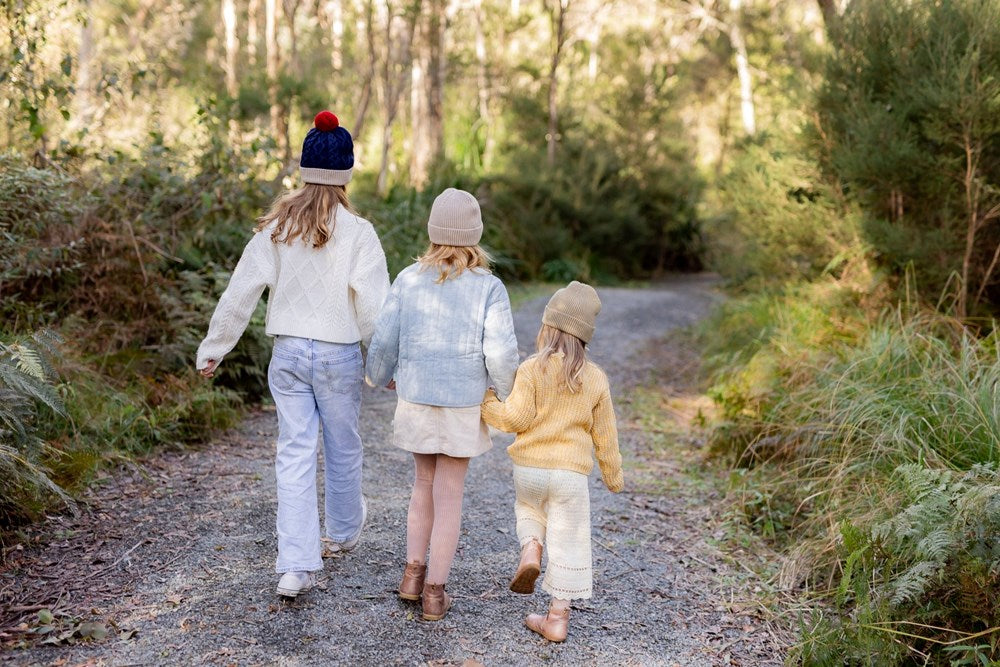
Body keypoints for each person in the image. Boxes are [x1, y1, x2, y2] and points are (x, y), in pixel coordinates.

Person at [195, 111, 389, 598]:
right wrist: (388, 365)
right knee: (344, 445)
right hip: (339, 356)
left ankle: (295, 566)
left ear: (303, 169)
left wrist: (214, 348)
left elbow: (240, 292)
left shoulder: (275, 228)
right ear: (346, 173)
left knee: (295, 452)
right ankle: (342, 532)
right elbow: (374, 308)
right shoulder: (359, 232)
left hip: (287, 356)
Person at [365, 187, 520, 621]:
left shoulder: (409, 278)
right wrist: (507, 392)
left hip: (416, 397)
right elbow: (503, 354)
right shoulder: (488, 288)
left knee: (421, 486)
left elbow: (385, 338)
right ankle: (435, 592)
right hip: (462, 404)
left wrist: (378, 374)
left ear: (433, 231)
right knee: (449, 494)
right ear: (475, 235)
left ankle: (412, 577)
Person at [480, 281, 624, 643]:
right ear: (585, 336)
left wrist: (486, 403)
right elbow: (606, 438)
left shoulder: (531, 369)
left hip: (528, 469)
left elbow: (514, 419)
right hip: (570, 476)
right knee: (569, 540)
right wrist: (613, 476)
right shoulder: (595, 379)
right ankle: (556, 618)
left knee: (528, 509)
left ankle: (531, 546)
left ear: (548, 327)